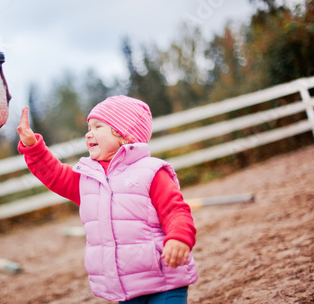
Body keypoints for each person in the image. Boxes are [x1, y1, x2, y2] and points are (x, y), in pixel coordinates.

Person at [17, 95, 198, 303]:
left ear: (124, 134)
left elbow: (176, 211)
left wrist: (178, 237)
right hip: (124, 286)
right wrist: (32, 146)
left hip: (165, 279)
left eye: (97, 126)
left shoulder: (151, 172)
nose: (88, 134)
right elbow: (54, 174)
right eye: (88, 128)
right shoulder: (87, 179)